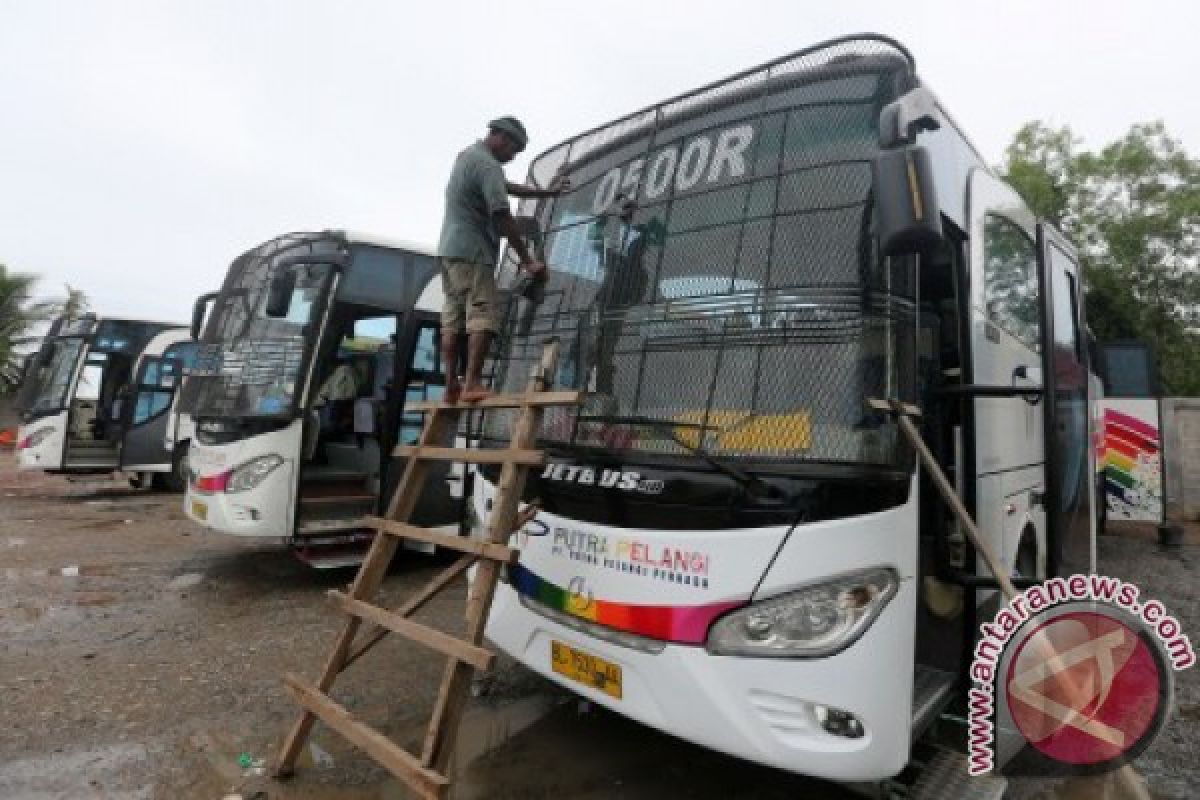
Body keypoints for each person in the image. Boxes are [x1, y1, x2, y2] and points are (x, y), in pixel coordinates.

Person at [436, 116, 568, 402]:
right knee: (483, 315)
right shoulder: (487, 165)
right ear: (502, 138)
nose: (512, 157)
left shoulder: (468, 157)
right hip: (474, 252)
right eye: (513, 151)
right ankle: (471, 383)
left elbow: (506, 185)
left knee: (452, 319)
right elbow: (501, 214)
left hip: (449, 251)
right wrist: (527, 259)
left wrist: (547, 191)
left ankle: (451, 386)